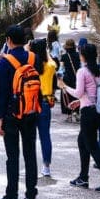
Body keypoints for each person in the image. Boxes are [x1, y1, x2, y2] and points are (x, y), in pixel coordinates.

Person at [58, 43, 100, 193]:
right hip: (96, 111)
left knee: (92, 146)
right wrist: (79, 101)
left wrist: (64, 87)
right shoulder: (98, 71)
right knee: (82, 142)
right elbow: (92, 93)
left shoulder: (82, 71)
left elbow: (78, 92)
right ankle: (83, 177)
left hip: (88, 114)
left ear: (83, 55)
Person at [0, 25, 40, 199]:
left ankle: (12, 196)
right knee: (30, 154)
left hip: (12, 114)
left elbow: (3, 92)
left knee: (12, 156)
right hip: (30, 111)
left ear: (8, 41)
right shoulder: (33, 58)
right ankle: (30, 195)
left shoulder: (6, 62)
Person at [30, 38, 57, 177]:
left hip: (31, 102)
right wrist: (46, 52)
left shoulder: (29, 65)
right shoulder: (51, 66)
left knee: (30, 136)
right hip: (45, 102)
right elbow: (52, 62)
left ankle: (31, 165)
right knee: (45, 135)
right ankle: (46, 166)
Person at [59, 38, 80, 120]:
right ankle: (76, 112)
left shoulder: (64, 57)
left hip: (67, 78)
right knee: (76, 94)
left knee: (67, 95)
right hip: (77, 78)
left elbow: (61, 68)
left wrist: (59, 78)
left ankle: (69, 114)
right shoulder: (78, 55)